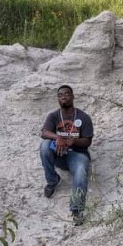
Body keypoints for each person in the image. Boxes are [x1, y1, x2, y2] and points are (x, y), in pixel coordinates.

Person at [40, 85, 94, 225]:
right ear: (58, 98)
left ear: (73, 96)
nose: (63, 97)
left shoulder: (83, 117)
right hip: (59, 154)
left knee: (81, 170)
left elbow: (88, 141)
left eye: (67, 94)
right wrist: (57, 138)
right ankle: (52, 181)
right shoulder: (54, 115)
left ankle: (76, 209)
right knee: (45, 145)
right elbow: (44, 132)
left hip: (77, 154)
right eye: (60, 95)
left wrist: (74, 140)